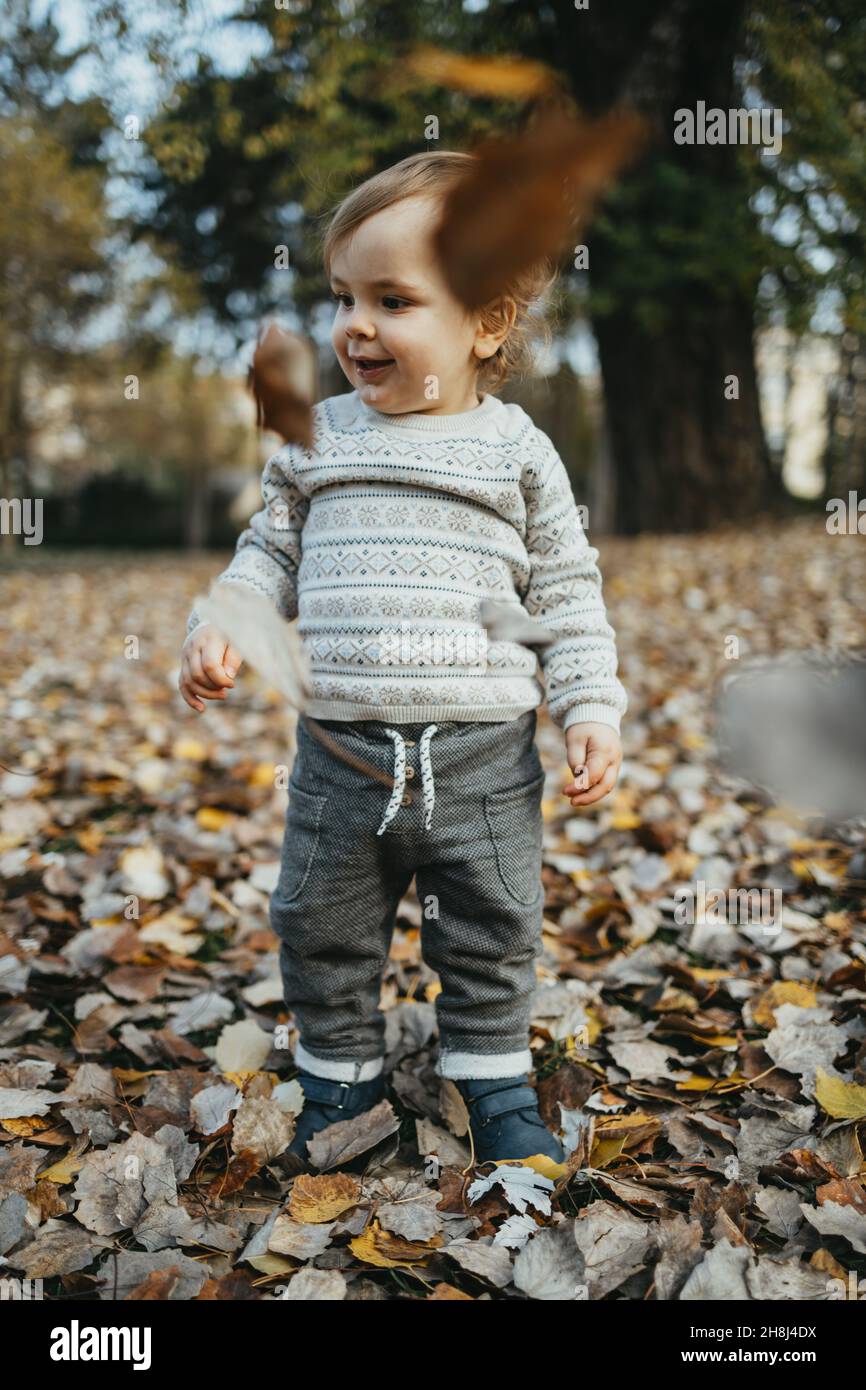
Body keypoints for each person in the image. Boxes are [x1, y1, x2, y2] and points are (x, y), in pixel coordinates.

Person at [178, 151, 627, 1167]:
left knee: (491, 924)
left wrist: (587, 706)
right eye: (342, 297)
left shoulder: (515, 451)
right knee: (320, 921)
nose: (355, 327)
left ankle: (493, 1081)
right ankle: (338, 1086)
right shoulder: (314, 436)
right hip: (338, 753)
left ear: (484, 322)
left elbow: (563, 590)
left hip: (481, 758)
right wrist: (222, 627)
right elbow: (268, 553)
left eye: (392, 299)